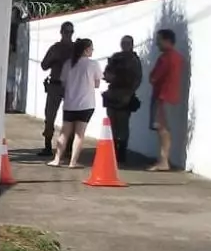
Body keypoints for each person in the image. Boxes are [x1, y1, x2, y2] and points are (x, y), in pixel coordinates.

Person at [48, 38, 101, 169]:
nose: (92, 50)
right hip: (86, 104)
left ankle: (57, 159)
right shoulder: (93, 64)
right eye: (91, 48)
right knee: (79, 134)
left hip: (70, 103)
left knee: (64, 132)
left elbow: (64, 83)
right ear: (86, 49)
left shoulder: (68, 64)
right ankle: (73, 162)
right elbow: (97, 84)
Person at [102, 35, 143, 165]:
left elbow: (137, 79)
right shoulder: (116, 57)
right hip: (113, 92)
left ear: (132, 44)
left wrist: (129, 94)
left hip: (125, 93)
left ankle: (121, 153)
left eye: (127, 43)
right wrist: (109, 76)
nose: (125, 45)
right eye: (123, 43)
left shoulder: (134, 60)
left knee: (123, 125)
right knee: (112, 124)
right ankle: (112, 151)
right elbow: (107, 73)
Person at [149, 28, 185, 171]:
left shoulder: (165, 58)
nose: (157, 43)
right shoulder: (177, 57)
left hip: (163, 96)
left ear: (166, 40)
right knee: (164, 129)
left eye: (159, 40)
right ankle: (163, 160)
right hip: (171, 95)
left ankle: (163, 161)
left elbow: (154, 77)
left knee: (162, 129)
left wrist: (152, 78)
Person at [38, 21, 75, 155]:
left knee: (70, 117)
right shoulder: (56, 48)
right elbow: (44, 65)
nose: (68, 35)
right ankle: (48, 146)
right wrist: (55, 60)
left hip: (70, 86)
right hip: (55, 85)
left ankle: (69, 147)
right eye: (66, 32)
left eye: (70, 32)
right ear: (61, 32)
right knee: (50, 116)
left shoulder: (75, 49)